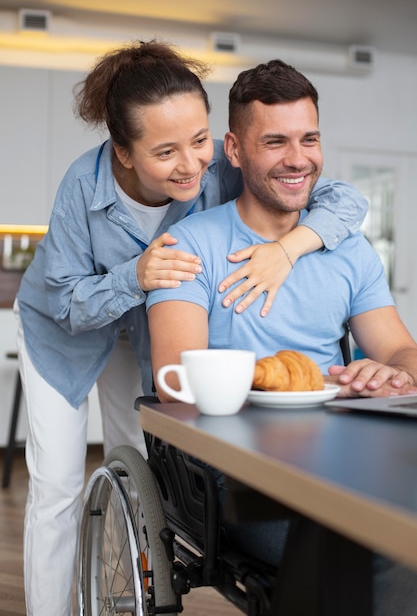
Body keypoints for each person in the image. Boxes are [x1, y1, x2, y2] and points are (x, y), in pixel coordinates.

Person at [15, 40, 367, 615]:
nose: (192, 164)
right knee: (57, 486)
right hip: (65, 327)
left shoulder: (218, 168)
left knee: (137, 464)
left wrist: (289, 249)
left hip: (144, 329)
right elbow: (68, 303)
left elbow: (345, 202)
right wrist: (137, 274)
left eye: (201, 140)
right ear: (123, 153)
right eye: (166, 151)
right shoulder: (83, 187)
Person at [146, 59, 417, 614]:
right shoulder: (188, 247)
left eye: (309, 138)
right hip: (242, 479)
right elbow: (174, 380)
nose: (298, 159)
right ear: (236, 150)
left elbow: (399, 348)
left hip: (350, 458)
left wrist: (394, 370)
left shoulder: (347, 250)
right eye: (275, 141)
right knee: (379, 546)